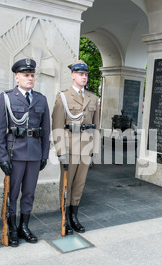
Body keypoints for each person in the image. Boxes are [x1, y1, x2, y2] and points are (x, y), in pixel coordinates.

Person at [0, 58, 50, 247]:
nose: (30, 78)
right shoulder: (7, 98)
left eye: (32, 75)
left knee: (29, 193)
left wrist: (44, 154)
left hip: (34, 153)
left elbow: (46, 130)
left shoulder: (41, 99)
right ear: (17, 77)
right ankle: (11, 227)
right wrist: (2, 157)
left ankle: (24, 227)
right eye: (26, 75)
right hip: (13, 153)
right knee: (12, 192)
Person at [52, 60, 100, 234]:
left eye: (86, 74)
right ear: (73, 75)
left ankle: (74, 216)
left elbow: (96, 125)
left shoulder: (93, 98)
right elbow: (57, 125)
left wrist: (95, 149)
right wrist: (60, 151)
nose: (84, 77)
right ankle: (65, 216)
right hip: (69, 148)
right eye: (80, 74)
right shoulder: (63, 97)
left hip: (86, 148)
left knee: (79, 183)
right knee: (67, 184)